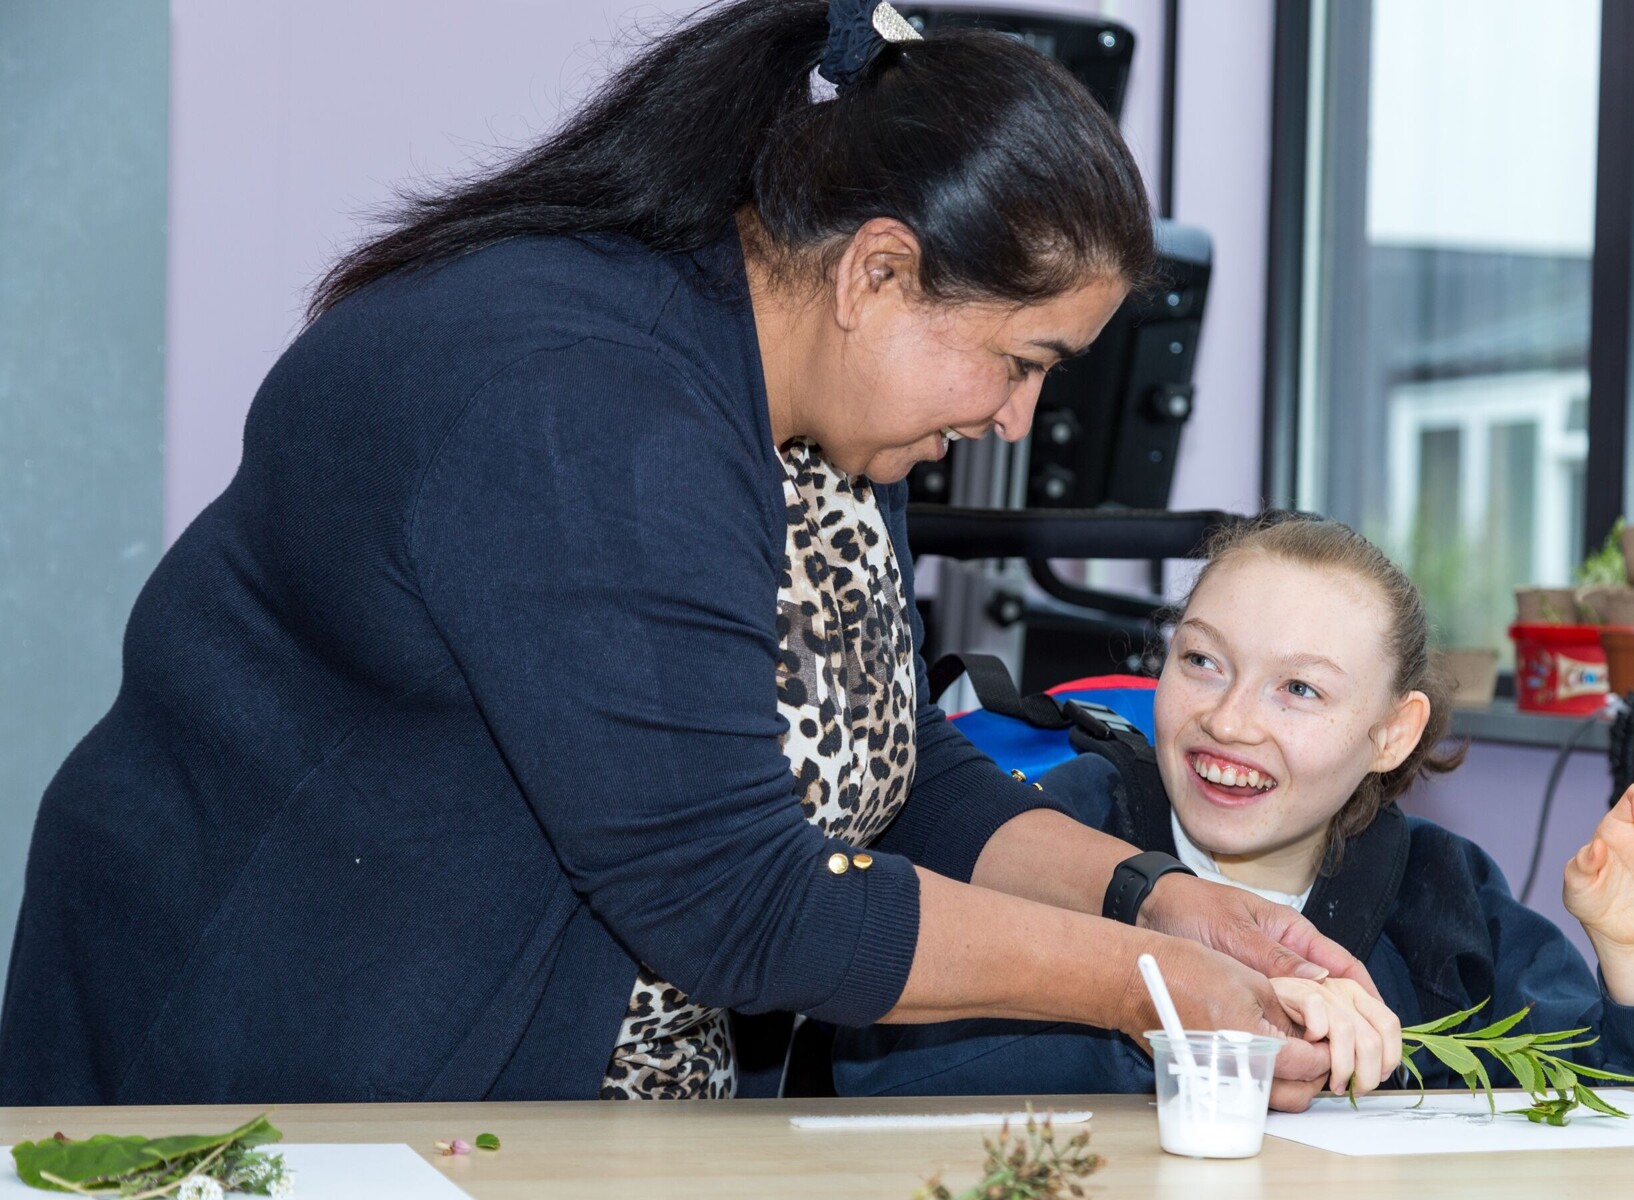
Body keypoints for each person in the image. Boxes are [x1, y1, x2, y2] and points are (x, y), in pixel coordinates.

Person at [0, 1, 1373, 1106]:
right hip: (294, 1067)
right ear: (878, 274)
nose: (1013, 417)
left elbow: (879, 773)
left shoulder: (822, 407)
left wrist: (1159, 899)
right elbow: (743, 897)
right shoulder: (582, 405)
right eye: (1019, 363)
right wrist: (1149, 985)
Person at [835, 515, 1634, 1097]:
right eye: (1201, 662)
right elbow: (874, 1081)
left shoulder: (1440, 894)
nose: (1228, 719)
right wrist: (1183, 1046)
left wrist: (1628, 955)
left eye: (1298, 689)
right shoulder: (1059, 838)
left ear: (1391, 733)